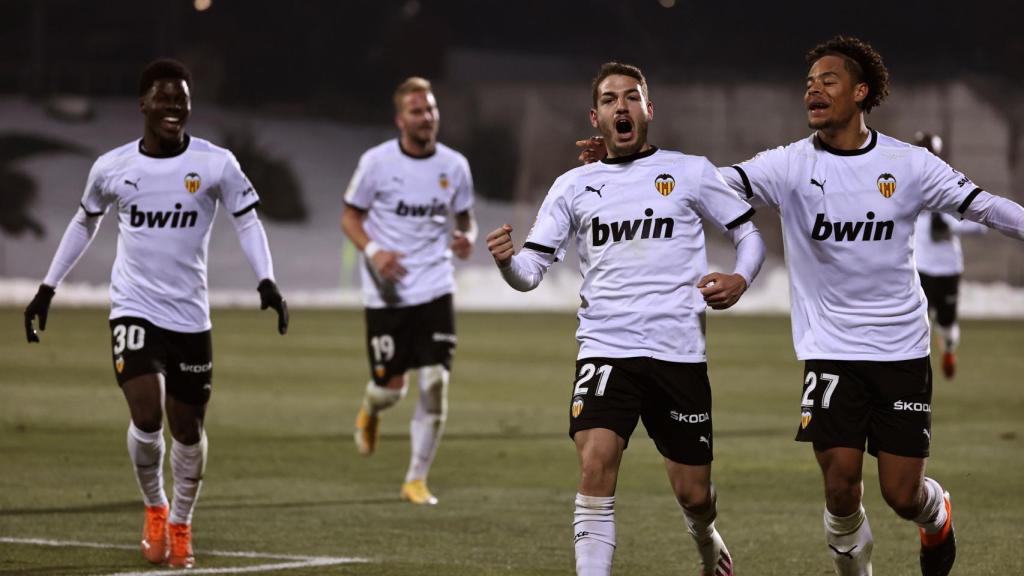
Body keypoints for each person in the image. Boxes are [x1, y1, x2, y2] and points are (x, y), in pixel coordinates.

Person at [715, 37, 1024, 576]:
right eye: (809, 80)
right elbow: (710, 187)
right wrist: (628, 173)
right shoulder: (787, 164)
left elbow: (987, 208)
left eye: (828, 79)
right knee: (840, 486)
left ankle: (938, 514)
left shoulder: (907, 164)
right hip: (830, 349)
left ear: (860, 92)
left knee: (902, 495)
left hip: (901, 349)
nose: (814, 87)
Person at [490, 62, 765, 576]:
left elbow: (749, 234)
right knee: (595, 465)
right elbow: (530, 271)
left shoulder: (690, 171)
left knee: (695, 493)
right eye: (611, 99)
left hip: (678, 351)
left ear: (648, 110)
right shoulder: (574, 185)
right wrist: (507, 262)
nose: (623, 106)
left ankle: (707, 540)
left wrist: (741, 278)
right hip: (605, 348)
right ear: (595, 117)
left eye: (632, 97)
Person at [22, 59, 288, 569]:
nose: (174, 107)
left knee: (186, 430)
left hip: (190, 317)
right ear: (142, 104)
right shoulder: (113, 167)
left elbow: (248, 221)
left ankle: (183, 522)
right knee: (146, 417)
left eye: (181, 99)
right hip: (133, 307)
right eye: (164, 98)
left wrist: (267, 279)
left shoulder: (216, 164)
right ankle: (155, 510)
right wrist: (47, 288)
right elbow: (84, 223)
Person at [341, 76, 477, 506]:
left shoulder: (454, 166)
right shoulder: (376, 163)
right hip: (388, 292)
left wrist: (467, 237)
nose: (427, 117)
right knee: (391, 389)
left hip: (436, 284)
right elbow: (349, 217)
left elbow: (466, 218)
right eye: (418, 111)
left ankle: (416, 478)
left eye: (431, 109)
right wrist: (376, 251)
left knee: (435, 380)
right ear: (401, 119)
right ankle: (371, 408)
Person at [912, 132, 987, 379]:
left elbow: (980, 223)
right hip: (917, 267)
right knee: (911, 322)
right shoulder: (903, 185)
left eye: (928, 152)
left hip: (947, 268)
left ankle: (949, 351)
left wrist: (951, 224)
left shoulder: (951, 184)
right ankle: (914, 368)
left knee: (946, 324)